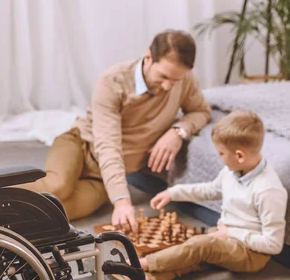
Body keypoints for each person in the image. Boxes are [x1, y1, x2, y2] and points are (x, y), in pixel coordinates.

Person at [18, 30, 211, 232]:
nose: (167, 86)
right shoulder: (113, 81)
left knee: (56, 211)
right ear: (148, 58)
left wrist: (178, 131)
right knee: (58, 186)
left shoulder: (185, 80)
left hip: (102, 177)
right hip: (80, 144)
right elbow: (107, 144)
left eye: (175, 80)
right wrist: (121, 201)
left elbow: (201, 111)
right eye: (163, 76)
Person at [138, 110, 288, 280]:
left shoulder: (268, 190)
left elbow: (273, 245)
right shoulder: (232, 172)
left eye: (221, 153)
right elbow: (209, 190)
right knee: (193, 251)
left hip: (251, 253)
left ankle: (142, 264)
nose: (219, 157)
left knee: (201, 246)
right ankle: (151, 279)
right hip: (226, 236)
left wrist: (231, 234)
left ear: (239, 155)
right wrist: (173, 193)